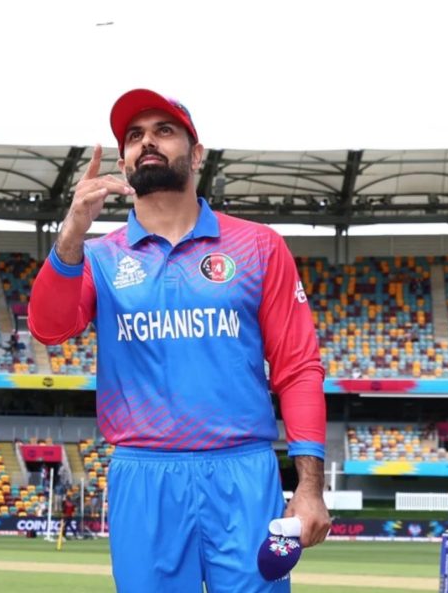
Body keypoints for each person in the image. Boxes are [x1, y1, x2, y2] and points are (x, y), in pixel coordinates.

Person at [29, 88, 330, 592]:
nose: (146, 141)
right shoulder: (99, 257)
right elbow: (49, 327)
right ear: (123, 162)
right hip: (145, 477)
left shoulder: (259, 246)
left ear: (196, 154)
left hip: (243, 475)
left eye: (163, 130)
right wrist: (71, 233)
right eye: (134, 135)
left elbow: (298, 368)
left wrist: (309, 486)